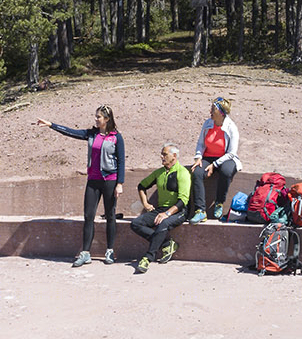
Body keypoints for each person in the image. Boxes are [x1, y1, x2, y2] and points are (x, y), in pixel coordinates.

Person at [37, 106, 124, 267]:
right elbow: (71, 132)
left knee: (110, 216)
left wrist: (119, 184)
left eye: (98, 117)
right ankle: (85, 253)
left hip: (110, 180)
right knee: (88, 216)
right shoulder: (91, 134)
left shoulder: (116, 137)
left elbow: (121, 161)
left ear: (106, 119)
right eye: (95, 116)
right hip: (93, 180)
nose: (95, 119)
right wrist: (51, 125)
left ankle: (110, 251)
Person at [130, 143, 193, 273]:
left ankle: (148, 258)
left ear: (174, 156)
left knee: (163, 223)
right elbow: (142, 186)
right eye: (162, 154)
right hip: (161, 209)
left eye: (164, 154)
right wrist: (146, 204)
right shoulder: (159, 173)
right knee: (136, 223)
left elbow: (183, 200)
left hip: (179, 210)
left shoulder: (183, 173)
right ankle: (166, 244)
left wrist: (167, 214)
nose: (161, 157)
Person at [190, 96, 241, 222]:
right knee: (197, 172)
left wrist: (215, 165)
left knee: (226, 171)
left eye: (213, 109)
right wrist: (198, 157)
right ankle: (200, 210)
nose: (210, 111)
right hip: (208, 156)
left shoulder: (231, 128)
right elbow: (201, 144)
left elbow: (232, 153)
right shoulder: (207, 123)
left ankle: (219, 202)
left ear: (221, 112)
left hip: (226, 158)